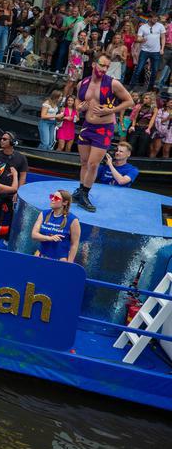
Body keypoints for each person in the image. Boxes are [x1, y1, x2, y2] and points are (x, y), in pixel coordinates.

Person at [73, 55, 133, 212]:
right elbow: (77, 100)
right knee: (84, 162)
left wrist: (111, 110)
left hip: (104, 128)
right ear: (94, 64)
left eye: (107, 66)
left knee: (93, 164)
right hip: (87, 126)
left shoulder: (113, 83)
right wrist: (79, 107)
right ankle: (80, 190)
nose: (104, 69)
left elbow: (129, 101)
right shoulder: (83, 83)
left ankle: (85, 194)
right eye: (102, 65)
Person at [0, 131, 27, 237]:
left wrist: (18, 192)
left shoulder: (21, 158)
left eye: (5, 139)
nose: (1, 140)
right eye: (1, 138)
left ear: (12, 142)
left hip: (11, 195)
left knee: (9, 217)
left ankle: (6, 238)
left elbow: (22, 176)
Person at [31, 190, 81, 263]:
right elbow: (34, 235)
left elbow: (74, 244)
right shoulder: (44, 214)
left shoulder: (73, 220)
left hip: (60, 261)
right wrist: (49, 238)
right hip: (40, 256)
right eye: (52, 196)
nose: (52, 199)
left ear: (65, 202)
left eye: (56, 198)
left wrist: (69, 264)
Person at [132, 13, 166, 90]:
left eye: (157, 18)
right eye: (154, 18)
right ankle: (131, 87)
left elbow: (163, 38)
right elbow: (138, 38)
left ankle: (149, 89)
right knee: (138, 69)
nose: (156, 20)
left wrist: (162, 48)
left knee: (154, 71)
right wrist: (142, 39)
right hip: (144, 51)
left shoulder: (160, 26)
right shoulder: (143, 27)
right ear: (150, 18)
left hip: (156, 52)